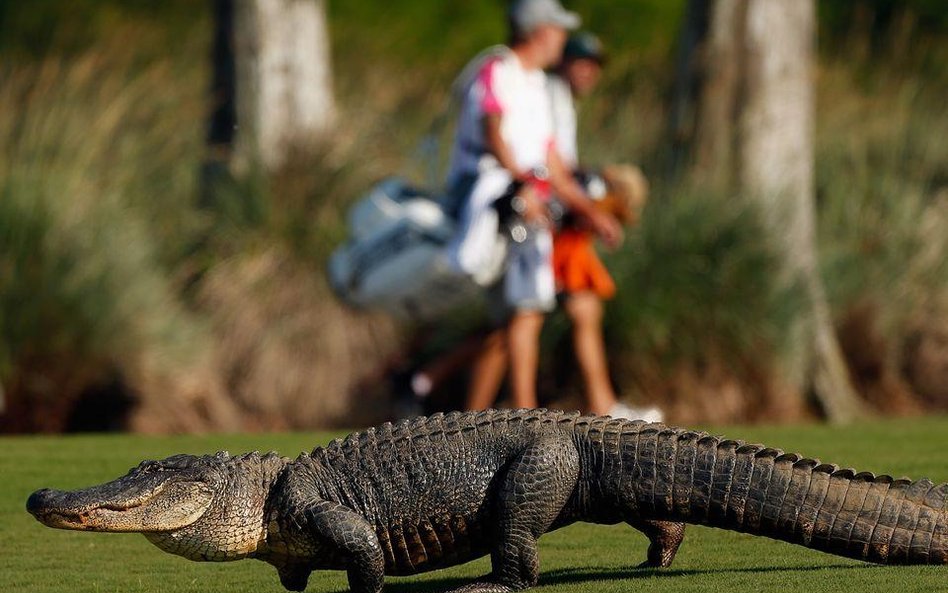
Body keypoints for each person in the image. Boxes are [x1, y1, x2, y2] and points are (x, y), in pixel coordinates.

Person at [445, 0, 622, 411]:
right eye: (558, 29)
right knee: (521, 310)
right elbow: (495, 137)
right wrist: (523, 184)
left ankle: (501, 415)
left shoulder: (540, 86)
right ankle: (521, 411)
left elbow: (553, 166)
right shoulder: (497, 71)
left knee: (524, 312)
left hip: (530, 204)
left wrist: (592, 212)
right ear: (538, 31)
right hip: (492, 200)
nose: (562, 38)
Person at [547, 33, 663, 422]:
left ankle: (603, 404)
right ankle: (602, 406)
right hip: (542, 223)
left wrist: (599, 177)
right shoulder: (547, 96)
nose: (589, 72)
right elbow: (550, 168)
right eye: (582, 62)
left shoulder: (561, 101)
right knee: (522, 319)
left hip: (558, 223)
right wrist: (595, 207)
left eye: (594, 65)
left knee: (573, 310)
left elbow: (561, 166)